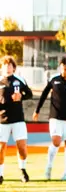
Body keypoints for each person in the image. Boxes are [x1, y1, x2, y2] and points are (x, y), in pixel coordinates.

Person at [33, 56, 66, 181]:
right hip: (55, 117)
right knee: (56, 142)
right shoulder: (54, 79)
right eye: (62, 68)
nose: (64, 71)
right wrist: (37, 110)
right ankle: (48, 168)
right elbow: (44, 95)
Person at [0, 55, 33, 183]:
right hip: (2, 120)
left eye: (10, 66)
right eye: (5, 65)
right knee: (1, 148)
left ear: (14, 68)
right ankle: (0, 174)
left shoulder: (19, 80)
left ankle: (22, 169)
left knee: (22, 148)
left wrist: (21, 97)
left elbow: (29, 94)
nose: (7, 68)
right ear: (1, 67)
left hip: (18, 119)